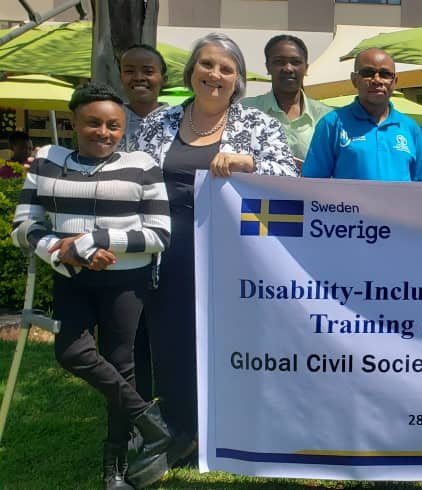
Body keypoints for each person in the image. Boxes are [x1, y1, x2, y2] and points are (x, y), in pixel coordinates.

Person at [10, 83, 183, 489]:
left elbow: (160, 234)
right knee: (71, 352)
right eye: (93, 123)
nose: (103, 132)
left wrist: (94, 241)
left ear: (124, 128)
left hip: (127, 281)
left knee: (121, 364)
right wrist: (59, 249)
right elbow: (23, 226)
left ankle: (116, 463)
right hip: (71, 276)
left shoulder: (142, 165)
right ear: (75, 122)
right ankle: (151, 420)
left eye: (113, 125)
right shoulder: (46, 161)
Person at [135, 32, 297, 465]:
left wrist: (251, 163)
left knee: (226, 341)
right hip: (165, 255)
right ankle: (182, 430)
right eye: (207, 64)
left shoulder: (258, 125)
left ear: (238, 80)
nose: (215, 74)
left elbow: (290, 179)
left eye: (226, 69)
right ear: (191, 72)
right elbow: (127, 174)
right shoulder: (158, 122)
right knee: (172, 343)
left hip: (231, 259)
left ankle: (231, 427)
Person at [118, 43, 170, 408]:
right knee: (130, 338)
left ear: (162, 78)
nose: (140, 78)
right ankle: (137, 416)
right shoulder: (107, 118)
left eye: (148, 71)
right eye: (131, 70)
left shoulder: (178, 120)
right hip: (122, 242)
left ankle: (173, 408)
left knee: (167, 333)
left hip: (169, 240)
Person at [302, 47, 422, 181]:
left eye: (385, 74)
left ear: (394, 82)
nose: (377, 80)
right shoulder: (331, 123)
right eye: (368, 73)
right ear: (354, 79)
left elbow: (420, 184)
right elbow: (313, 182)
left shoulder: (410, 128)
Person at [243, 34, 333, 168]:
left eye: (296, 62)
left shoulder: (327, 116)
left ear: (306, 68)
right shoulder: (245, 110)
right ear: (268, 67)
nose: (288, 68)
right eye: (279, 62)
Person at [119, 44, 169, 151]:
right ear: (120, 78)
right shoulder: (109, 121)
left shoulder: (179, 120)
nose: (138, 77)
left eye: (148, 71)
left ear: (164, 79)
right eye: (129, 71)